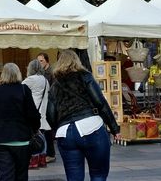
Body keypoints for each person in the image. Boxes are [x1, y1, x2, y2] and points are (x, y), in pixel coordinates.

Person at [46, 50, 119, 181]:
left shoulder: (54, 86)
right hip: (91, 126)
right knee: (98, 174)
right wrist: (114, 128)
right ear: (77, 61)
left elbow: (50, 115)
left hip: (65, 132)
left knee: (74, 178)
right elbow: (100, 102)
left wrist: (61, 128)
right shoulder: (85, 76)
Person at [0, 63, 41, 181]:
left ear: (3, 75)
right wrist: (35, 128)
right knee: (21, 175)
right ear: (18, 74)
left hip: (0, 140)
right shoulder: (23, 90)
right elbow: (33, 115)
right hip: (21, 140)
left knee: (5, 175)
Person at [23, 59, 53, 164]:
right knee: (41, 136)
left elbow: (20, 90)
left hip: (33, 111)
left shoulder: (30, 79)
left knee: (33, 136)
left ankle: (34, 159)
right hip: (43, 111)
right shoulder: (45, 80)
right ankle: (42, 158)